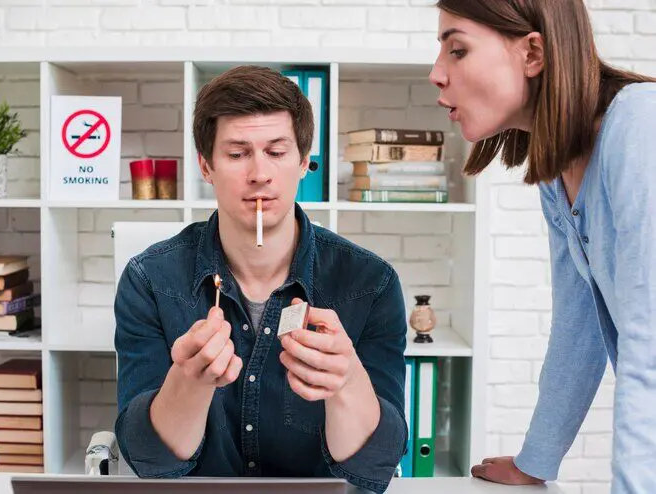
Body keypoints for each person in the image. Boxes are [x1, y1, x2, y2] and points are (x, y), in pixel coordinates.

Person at [113, 65, 408, 493]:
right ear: (206, 166)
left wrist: (344, 383)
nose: (259, 174)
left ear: (304, 161)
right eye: (237, 154)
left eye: (276, 151)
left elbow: (374, 469)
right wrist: (188, 384)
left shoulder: (370, 283)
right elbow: (149, 463)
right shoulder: (149, 280)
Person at [428, 0, 656, 492]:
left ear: (533, 53)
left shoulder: (641, 125)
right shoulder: (560, 172)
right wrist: (538, 460)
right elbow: (580, 322)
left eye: (458, 50)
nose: (436, 74)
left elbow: (651, 339)